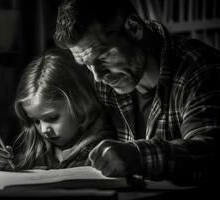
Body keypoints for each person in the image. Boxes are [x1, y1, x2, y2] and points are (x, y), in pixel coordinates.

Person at [54, 0, 220, 184]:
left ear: (134, 28)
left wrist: (138, 156)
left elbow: (210, 154)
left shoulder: (201, 69)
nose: (98, 76)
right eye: (87, 64)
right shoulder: (107, 83)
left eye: (103, 57)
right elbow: (94, 140)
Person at [0, 48, 113, 170]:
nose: (44, 130)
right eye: (36, 121)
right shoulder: (36, 151)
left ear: (80, 103)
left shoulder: (106, 151)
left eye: (52, 118)